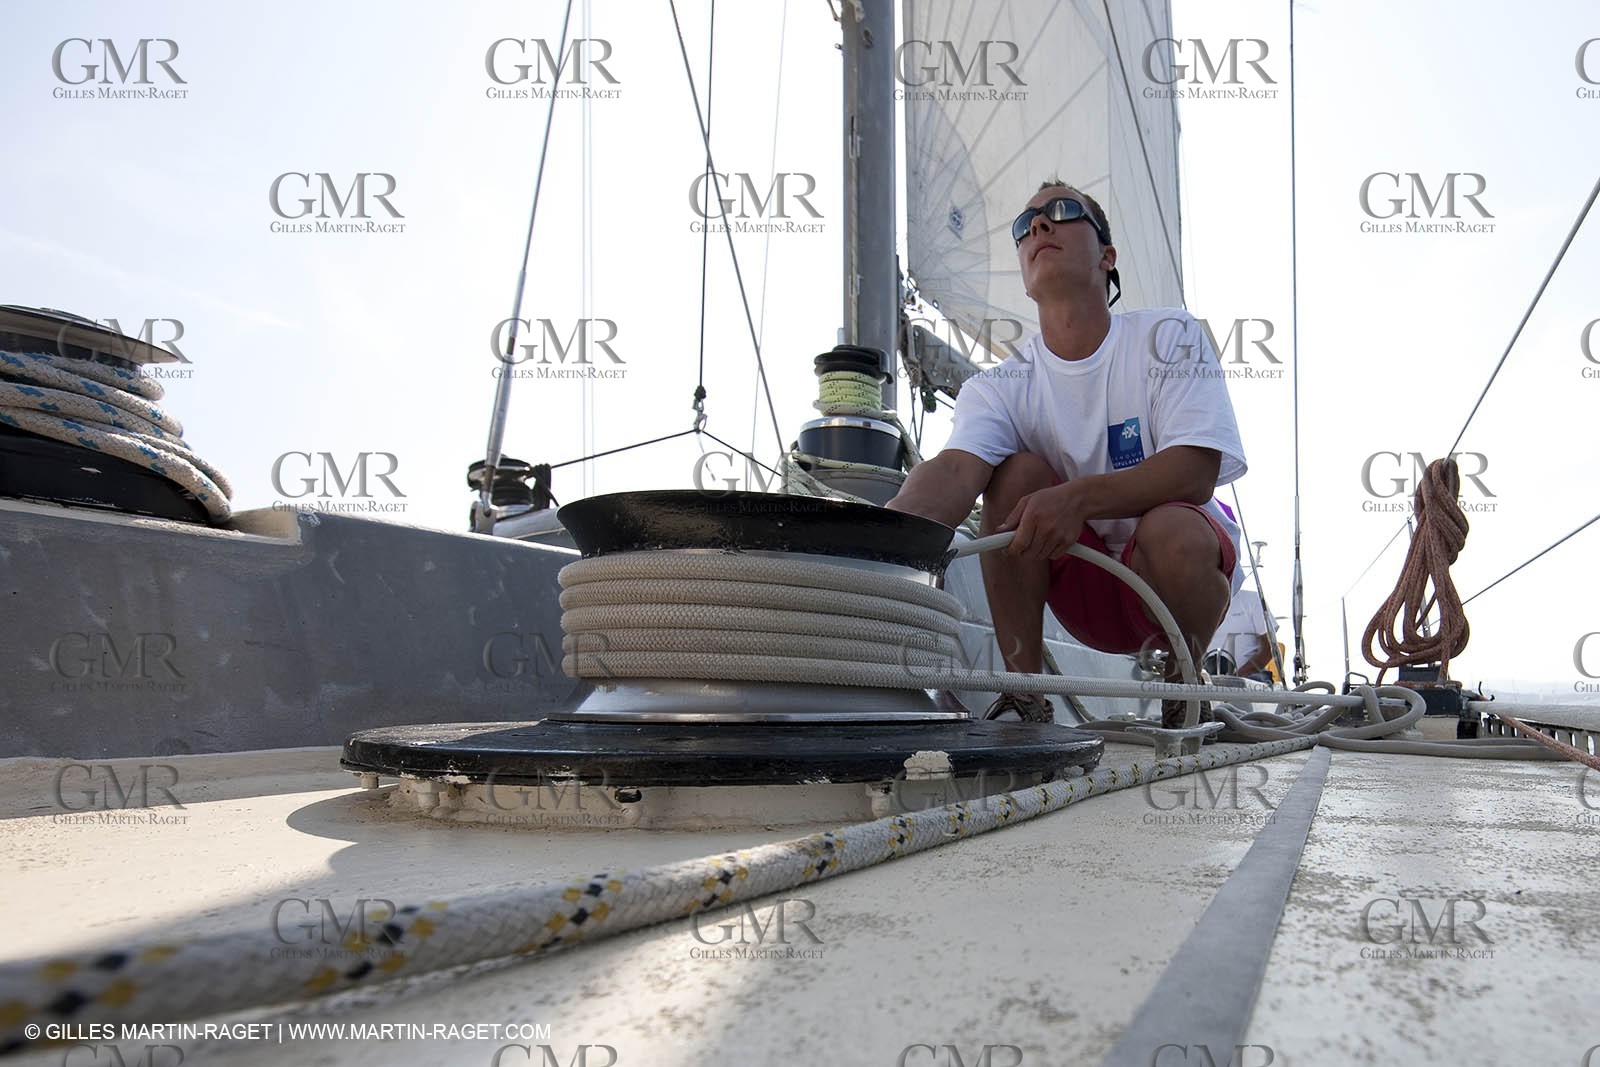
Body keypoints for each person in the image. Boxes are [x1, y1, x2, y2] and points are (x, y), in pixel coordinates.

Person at [886, 180, 1247, 727]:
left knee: (1173, 529)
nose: (1038, 225)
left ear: (1107, 255)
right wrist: (871, 545)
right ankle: (1024, 694)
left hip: (1174, 584)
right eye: (1024, 225)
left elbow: (1195, 470)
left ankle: (1183, 686)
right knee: (1015, 476)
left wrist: (1075, 500)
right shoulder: (999, 388)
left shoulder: (1169, 336)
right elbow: (955, 472)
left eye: (1062, 211)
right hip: (1084, 596)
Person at [1208, 586, 1276, 684]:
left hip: (1251, 678)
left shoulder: (1252, 599)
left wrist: (1236, 678)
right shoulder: (1197, 604)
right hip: (1207, 679)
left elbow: (1269, 648)